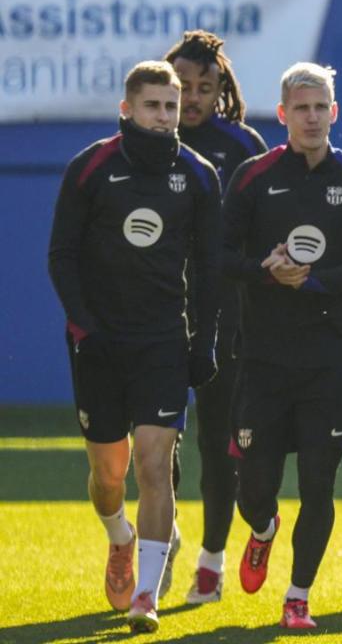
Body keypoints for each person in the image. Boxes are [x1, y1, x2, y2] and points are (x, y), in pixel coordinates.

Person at [48, 61, 222, 633]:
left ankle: (146, 594)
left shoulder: (197, 176)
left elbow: (210, 268)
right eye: (153, 105)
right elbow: (62, 257)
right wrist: (84, 327)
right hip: (99, 343)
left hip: (163, 343)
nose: (164, 116)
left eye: (171, 107)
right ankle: (119, 536)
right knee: (108, 474)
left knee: (154, 465)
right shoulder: (91, 167)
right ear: (127, 109)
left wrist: (204, 342)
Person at [222, 63, 342, 630]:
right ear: (284, 112)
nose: (312, 117)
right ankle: (263, 532)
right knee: (253, 490)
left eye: (321, 107)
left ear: (334, 112)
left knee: (319, 484)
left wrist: (313, 281)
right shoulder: (251, 177)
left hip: (328, 363)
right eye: (302, 107)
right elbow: (219, 258)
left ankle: (298, 595)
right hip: (263, 361)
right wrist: (267, 273)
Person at [164, 31, 268, 606]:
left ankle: (212, 558)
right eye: (182, 86)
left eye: (205, 87)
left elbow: (264, 226)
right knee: (154, 441)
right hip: (155, 310)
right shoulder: (145, 142)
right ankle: (162, 536)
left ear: (220, 89)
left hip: (226, 315)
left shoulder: (241, 146)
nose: (193, 97)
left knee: (216, 440)